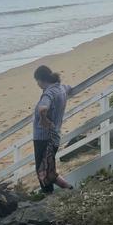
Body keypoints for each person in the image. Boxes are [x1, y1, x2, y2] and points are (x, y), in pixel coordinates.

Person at [32, 65, 73, 193]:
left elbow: (43, 107)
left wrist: (44, 119)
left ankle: (48, 198)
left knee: (42, 172)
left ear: (41, 79)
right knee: (49, 171)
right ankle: (70, 189)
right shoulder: (61, 88)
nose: (37, 84)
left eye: (37, 81)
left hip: (45, 138)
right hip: (54, 137)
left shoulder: (49, 93)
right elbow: (69, 88)